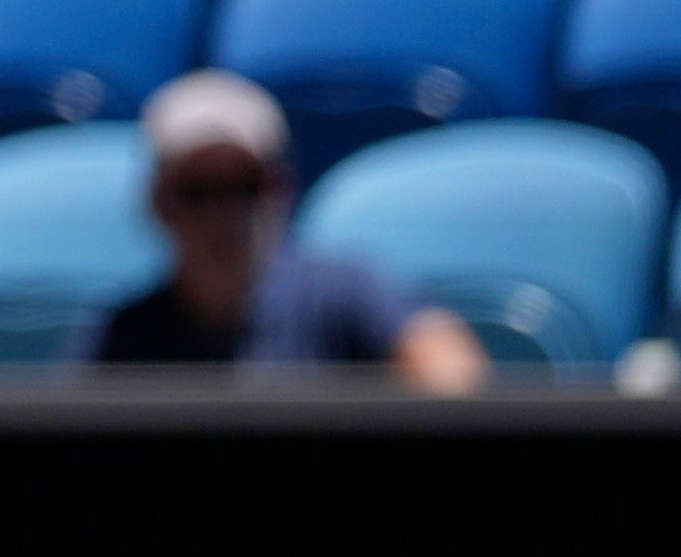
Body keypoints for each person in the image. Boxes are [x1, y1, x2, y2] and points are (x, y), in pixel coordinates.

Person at [93, 71, 486, 387]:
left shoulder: (345, 290)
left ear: (281, 191)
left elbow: (451, 368)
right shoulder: (123, 337)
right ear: (157, 203)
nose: (223, 214)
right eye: (198, 191)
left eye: (244, 186)